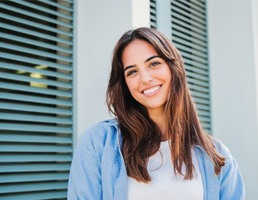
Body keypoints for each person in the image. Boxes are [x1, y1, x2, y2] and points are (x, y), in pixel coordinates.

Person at [68, 27, 245, 200]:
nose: (145, 78)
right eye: (132, 72)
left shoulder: (217, 155)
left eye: (154, 63)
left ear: (173, 68)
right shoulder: (97, 143)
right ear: (125, 84)